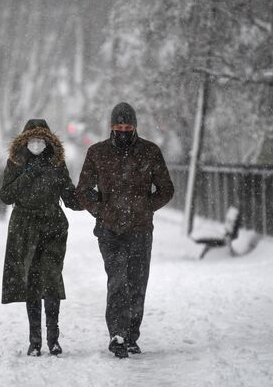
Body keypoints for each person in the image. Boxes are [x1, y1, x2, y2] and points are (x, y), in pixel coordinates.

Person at [75, 102, 174, 358]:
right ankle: (117, 334)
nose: (123, 131)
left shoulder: (149, 152)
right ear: (111, 127)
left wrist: (145, 207)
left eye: (127, 127)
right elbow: (83, 190)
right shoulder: (97, 153)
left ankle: (131, 335)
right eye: (118, 127)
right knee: (117, 280)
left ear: (135, 127)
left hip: (141, 230)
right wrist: (101, 210)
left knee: (137, 283)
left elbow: (166, 189)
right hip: (110, 231)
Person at [0, 118, 82, 357]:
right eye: (32, 140)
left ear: (48, 141)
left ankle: (53, 339)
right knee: (32, 283)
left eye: (41, 140)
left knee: (52, 280)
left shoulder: (57, 164)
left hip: (52, 227)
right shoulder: (15, 162)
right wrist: (27, 175)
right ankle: (35, 340)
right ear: (24, 141)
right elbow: (6, 195)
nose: (36, 144)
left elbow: (69, 195)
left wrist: (91, 200)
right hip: (24, 228)